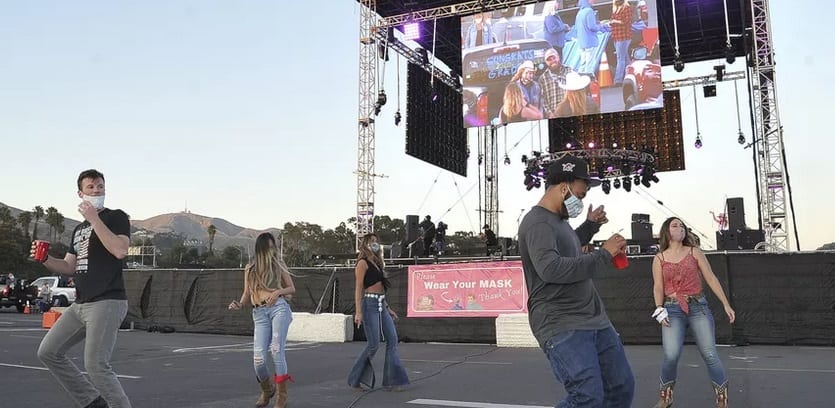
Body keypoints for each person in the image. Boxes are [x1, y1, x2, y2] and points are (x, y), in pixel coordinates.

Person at [518, 156, 635, 407]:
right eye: (579, 196)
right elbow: (550, 269)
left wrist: (591, 226)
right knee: (587, 398)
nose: (580, 202)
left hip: (594, 320)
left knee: (620, 388)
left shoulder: (560, 223)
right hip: (562, 323)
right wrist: (604, 255)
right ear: (563, 188)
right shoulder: (538, 222)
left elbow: (569, 246)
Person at [33, 169, 132, 408]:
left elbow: (120, 250)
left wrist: (95, 219)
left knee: (96, 364)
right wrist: (44, 259)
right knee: (48, 352)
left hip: (107, 301)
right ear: (80, 193)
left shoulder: (115, 217)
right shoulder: (78, 230)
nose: (97, 191)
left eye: (100, 186)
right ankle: (92, 401)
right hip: (81, 303)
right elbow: (68, 267)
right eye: (91, 187)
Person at [651, 217, 735, 408]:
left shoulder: (694, 252)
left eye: (681, 225)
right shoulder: (659, 258)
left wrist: (725, 304)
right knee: (671, 355)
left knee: (710, 354)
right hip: (672, 308)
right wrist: (659, 309)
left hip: (698, 306)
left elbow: (711, 278)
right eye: (675, 225)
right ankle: (666, 397)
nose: (679, 228)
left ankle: (722, 400)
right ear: (666, 231)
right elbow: (658, 286)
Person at [228, 232, 296, 408]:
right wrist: (240, 304)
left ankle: (282, 396)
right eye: (270, 245)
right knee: (258, 360)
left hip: (278, 309)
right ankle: (267, 390)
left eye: (274, 245)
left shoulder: (278, 264)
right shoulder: (249, 268)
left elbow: (291, 288)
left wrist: (277, 292)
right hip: (259, 313)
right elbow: (247, 292)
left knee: (276, 350)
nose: (273, 249)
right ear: (262, 248)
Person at [348, 233, 409, 391]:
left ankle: (393, 380)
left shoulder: (378, 262)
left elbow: (381, 288)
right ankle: (355, 379)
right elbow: (358, 288)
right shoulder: (362, 263)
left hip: (381, 303)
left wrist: (388, 308)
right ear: (365, 244)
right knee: (373, 345)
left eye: (376, 241)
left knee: (392, 340)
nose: (375, 244)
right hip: (369, 304)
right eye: (372, 241)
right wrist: (359, 312)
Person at [538, 48, 573, 118]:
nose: (552, 61)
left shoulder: (569, 71)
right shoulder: (543, 78)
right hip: (554, 115)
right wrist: (550, 114)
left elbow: (576, 91)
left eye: (554, 58)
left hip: (571, 112)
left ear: (558, 57)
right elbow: (542, 100)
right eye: (549, 60)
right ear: (546, 62)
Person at [575, 0, 606, 69]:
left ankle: (582, 78)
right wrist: (600, 26)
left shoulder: (579, 12)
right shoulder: (589, 11)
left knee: (583, 64)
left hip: (582, 43)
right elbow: (592, 27)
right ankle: (589, 78)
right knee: (590, 64)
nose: (594, 1)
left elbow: (576, 27)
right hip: (590, 42)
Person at [609, 0, 633, 85]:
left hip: (624, 37)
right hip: (617, 37)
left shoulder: (627, 8)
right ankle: (631, 75)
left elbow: (627, 21)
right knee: (625, 58)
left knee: (620, 58)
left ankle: (618, 80)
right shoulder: (615, 9)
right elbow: (611, 19)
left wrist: (616, 21)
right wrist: (611, 22)